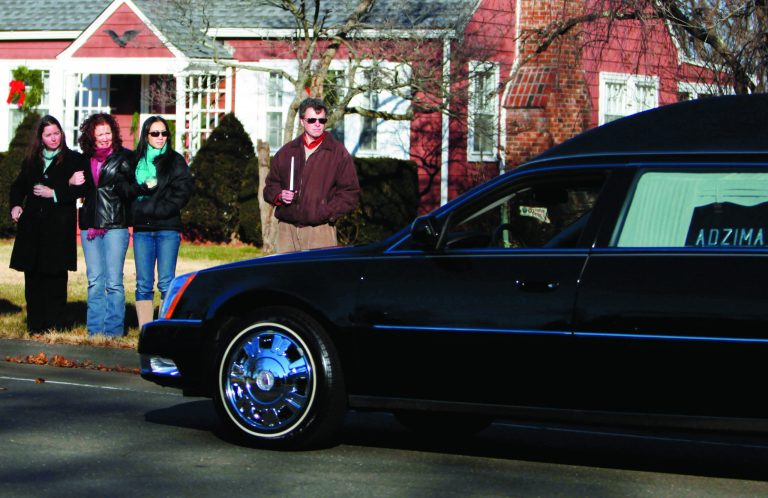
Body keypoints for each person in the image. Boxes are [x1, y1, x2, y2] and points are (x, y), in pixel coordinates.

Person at [8, 115, 86, 333]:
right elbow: (18, 187)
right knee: (33, 277)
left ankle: (54, 324)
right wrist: (16, 206)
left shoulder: (74, 160)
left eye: (57, 133)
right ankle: (35, 324)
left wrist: (56, 192)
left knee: (55, 277)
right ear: (40, 138)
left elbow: (81, 190)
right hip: (32, 227)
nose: (54, 138)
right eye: (49, 134)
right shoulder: (32, 160)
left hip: (58, 228)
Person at [264, 97, 360, 253]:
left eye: (321, 120)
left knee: (318, 277)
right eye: (312, 120)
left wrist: (326, 212)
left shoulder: (338, 153)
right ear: (302, 121)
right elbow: (269, 187)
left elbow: (350, 193)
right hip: (286, 231)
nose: (317, 124)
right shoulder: (286, 152)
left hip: (320, 231)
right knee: (285, 276)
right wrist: (279, 195)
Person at [70, 113, 136, 337]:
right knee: (95, 280)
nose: (105, 138)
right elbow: (78, 191)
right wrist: (71, 183)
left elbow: (132, 189)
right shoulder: (83, 159)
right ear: (91, 136)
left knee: (114, 281)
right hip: (89, 225)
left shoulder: (125, 157)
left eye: (108, 133)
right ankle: (94, 331)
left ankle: (114, 331)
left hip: (115, 224)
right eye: (100, 134)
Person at [130, 116, 193, 329]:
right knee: (143, 283)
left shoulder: (175, 161)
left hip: (168, 228)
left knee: (166, 282)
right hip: (142, 230)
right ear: (146, 136)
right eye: (155, 133)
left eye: (164, 133)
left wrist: (160, 209)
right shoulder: (135, 161)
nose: (160, 137)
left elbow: (182, 192)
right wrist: (139, 209)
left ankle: (165, 328)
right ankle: (146, 329)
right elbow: (126, 190)